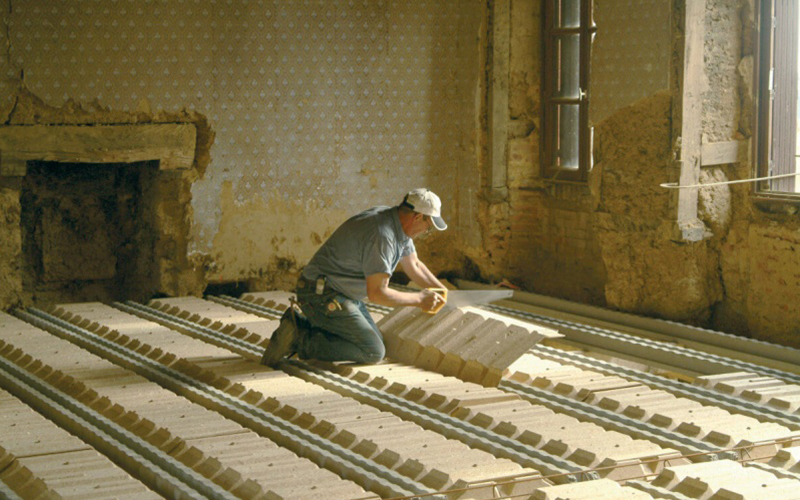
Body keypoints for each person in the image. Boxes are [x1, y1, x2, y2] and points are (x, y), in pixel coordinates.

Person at [261, 188, 448, 366]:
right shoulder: (382, 236)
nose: (426, 231)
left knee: (374, 340)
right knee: (373, 351)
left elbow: (413, 264)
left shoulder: (393, 221)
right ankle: (299, 339)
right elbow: (377, 294)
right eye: (428, 226)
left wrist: (442, 291)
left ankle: (308, 324)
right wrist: (420, 299)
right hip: (322, 294)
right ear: (418, 217)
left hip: (339, 292)